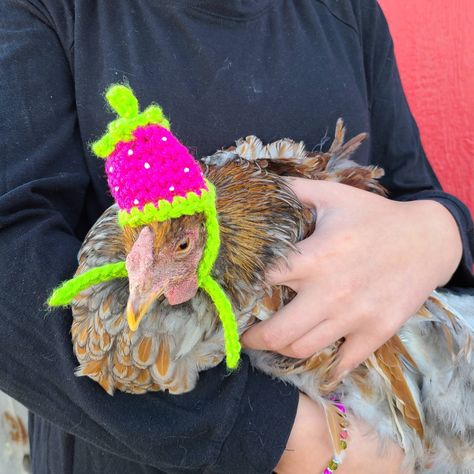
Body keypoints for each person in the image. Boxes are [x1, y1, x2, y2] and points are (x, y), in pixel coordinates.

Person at [0, 0, 472, 473]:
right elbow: (10, 257)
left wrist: (440, 231)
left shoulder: (347, 10)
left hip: (367, 411)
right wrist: (295, 439)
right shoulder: (52, 10)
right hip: (144, 455)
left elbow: (412, 190)